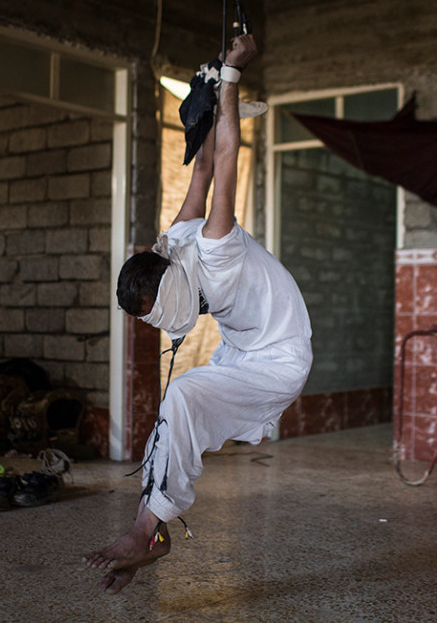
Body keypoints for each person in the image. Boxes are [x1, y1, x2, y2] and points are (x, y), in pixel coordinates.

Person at [84, 33, 313, 594]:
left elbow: (230, 159)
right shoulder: (175, 244)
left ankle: (144, 531)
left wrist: (232, 78)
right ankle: (152, 532)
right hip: (242, 352)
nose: (159, 324)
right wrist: (209, 102)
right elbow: (205, 167)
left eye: (155, 311)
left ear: (168, 286)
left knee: (181, 396)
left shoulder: (214, 245)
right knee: (173, 414)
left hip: (281, 356)